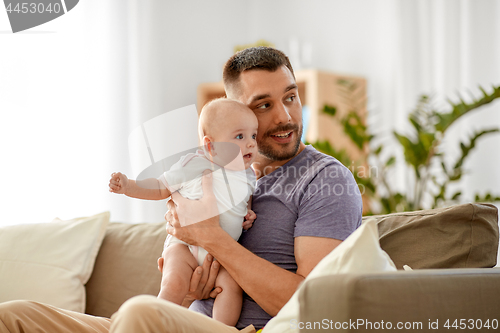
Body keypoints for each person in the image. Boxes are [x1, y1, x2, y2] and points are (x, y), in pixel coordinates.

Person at [0, 46, 362, 333]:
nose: (285, 116)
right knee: (14, 317)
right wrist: (190, 289)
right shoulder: (217, 173)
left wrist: (209, 237)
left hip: (243, 329)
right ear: (238, 112)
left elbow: (316, 308)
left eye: (291, 97)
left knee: (140, 314)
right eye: (264, 105)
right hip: (176, 322)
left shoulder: (325, 180)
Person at [108, 98, 258, 326]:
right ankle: (156, 324)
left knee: (232, 287)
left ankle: (220, 330)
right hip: (184, 247)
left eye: (253, 136)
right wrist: (129, 186)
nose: (250, 144)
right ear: (210, 146)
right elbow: (160, 187)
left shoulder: (249, 175)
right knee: (174, 284)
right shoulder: (193, 164)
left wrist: (247, 215)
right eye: (240, 136)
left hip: (222, 255)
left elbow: (242, 202)